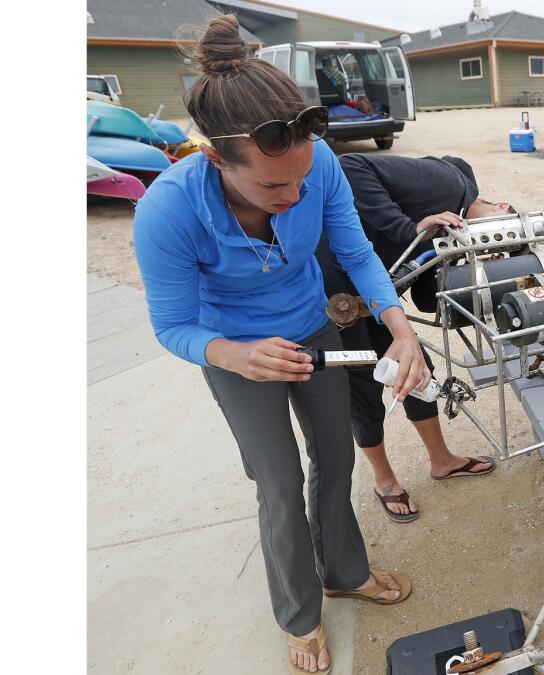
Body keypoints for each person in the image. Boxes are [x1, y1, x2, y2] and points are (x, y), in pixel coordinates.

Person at [132, 16, 423, 674]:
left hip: (312, 324)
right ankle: (298, 614)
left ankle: (344, 571)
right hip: (234, 351)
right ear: (215, 158)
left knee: (337, 459)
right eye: (272, 187)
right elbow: (173, 324)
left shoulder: (314, 160)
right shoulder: (168, 211)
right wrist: (233, 354)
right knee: (279, 481)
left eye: (302, 181)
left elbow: (352, 245)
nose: (295, 198)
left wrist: (398, 322)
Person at [315, 154, 514, 523]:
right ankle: (385, 481)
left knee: (418, 371)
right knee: (363, 386)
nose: (497, 238)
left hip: (376, 290)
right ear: (502, 206)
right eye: (508, 225)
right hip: (336, 289)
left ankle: (442, 461)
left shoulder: (450, 224)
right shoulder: (450, 185)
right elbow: (350, 165)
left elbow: (425, 296)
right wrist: (408, 229)